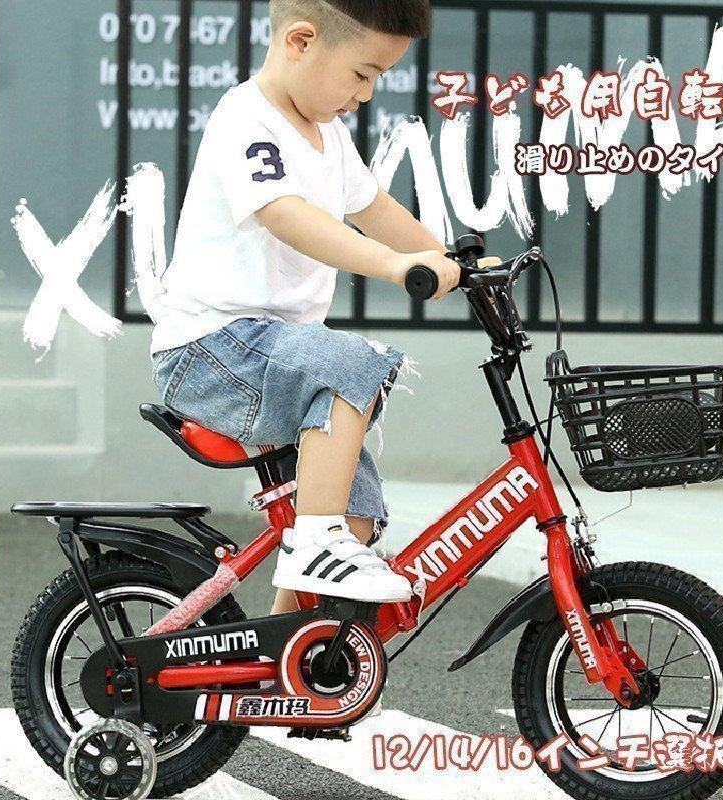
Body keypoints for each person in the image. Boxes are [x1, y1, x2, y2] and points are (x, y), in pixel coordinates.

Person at [149, 0, 491, 612]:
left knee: (356, 512)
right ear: (301, 42)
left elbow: (373, 206)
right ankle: (315, 543)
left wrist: (452, 262)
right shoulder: (247, 120)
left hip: (272, 355)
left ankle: (287, 648)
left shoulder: (328, 133)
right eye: (362, 73)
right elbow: (287, 216)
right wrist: (394, 266)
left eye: (378, 78)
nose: (367, 93)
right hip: (210, 349)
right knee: (350, 364)